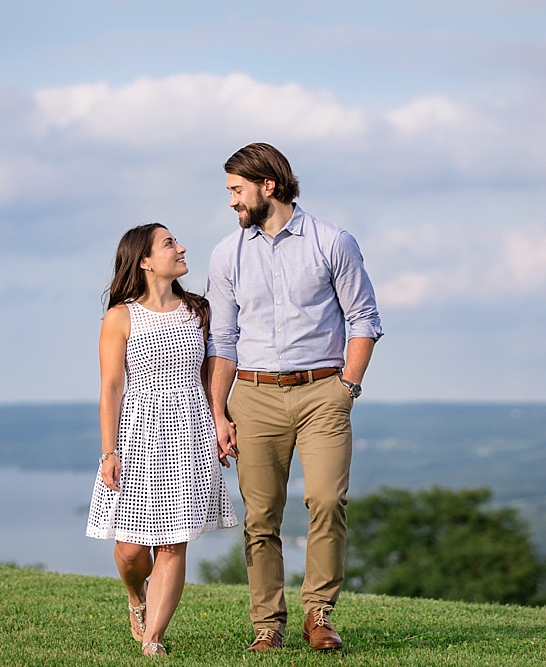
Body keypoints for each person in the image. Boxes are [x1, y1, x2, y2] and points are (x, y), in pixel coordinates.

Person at [205, 143, 383, 652]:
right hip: (255, 396)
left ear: (269, 186)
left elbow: (364, 319)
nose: (232, 202)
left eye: (237, 190)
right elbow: (222, 341)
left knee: (327, 499)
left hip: (324, 391)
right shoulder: (226, 254)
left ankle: (319, 614)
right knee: (261, 515)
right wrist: (218, 412)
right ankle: (268, 625)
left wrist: (347, 386)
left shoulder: (333, 242)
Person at [85, 223, 238, 657]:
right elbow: (111, 387)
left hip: (189, 432)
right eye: (170, 243)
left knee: (173, 542)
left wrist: (221, 420)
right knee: (132, 551)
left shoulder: (200, 310)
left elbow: (213, 375)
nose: (182, 247)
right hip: (138, 434)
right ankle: (137, 597)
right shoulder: (121, 316)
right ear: (145, 260)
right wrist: (109, 452)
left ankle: (154, 641)